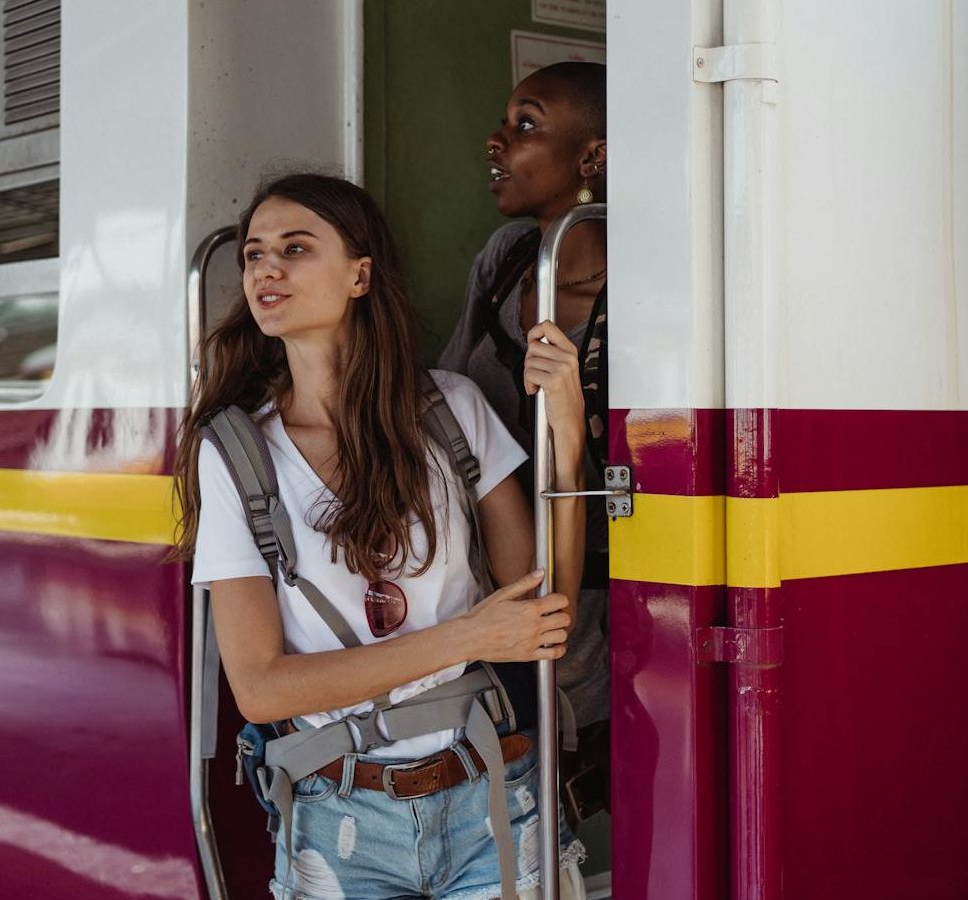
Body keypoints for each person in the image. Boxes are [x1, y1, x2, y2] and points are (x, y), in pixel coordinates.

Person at [175, 172, 589, 900]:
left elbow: (542, 607)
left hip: (490, 792)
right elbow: (262, 688)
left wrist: (569, 432)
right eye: (253, 255)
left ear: (360, 273)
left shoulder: (451, 410)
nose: (266, 269)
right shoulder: (236, 454)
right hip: (339, 822)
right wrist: (466, 638)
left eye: (295, 249)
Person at [439, 61, 610, 830]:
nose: (498, 141)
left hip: (587, 587)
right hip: (477, 570)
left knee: (564, 768)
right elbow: (440, 399)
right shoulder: (506, 258)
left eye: (527, 124)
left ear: (593, 159)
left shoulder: (638, 295)